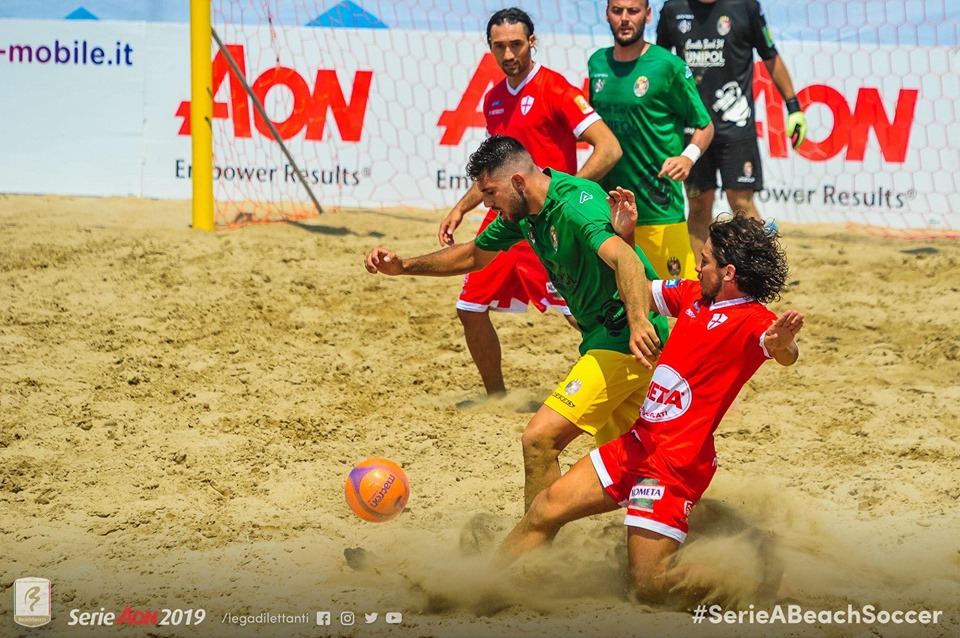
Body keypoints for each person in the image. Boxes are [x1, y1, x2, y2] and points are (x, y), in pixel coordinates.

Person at [495, 210, 804, 603]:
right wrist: (626, 239)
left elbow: (784, 352)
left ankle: (761, 588)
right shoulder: (693, 294)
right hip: (638, 444)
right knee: (545, 508)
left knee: (650, 585)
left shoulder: (754, 320)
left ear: (728, 273)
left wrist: (782, 344)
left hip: (671, 467)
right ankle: (481, 586)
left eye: (705, 260)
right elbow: (638, 286)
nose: (696, 264)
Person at [366, 135, 668, 510]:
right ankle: (702, 530)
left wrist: (638, 320)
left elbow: (627, 259)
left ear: (519, 182)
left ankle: (532, 559)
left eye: (491, 193)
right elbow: (474, 256)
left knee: (539, 440)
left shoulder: (575, 204)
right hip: (611, 338)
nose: (488, 204)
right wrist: (404, 267)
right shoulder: (523, 214)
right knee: (645, 468)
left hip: (627, 337)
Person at [439, 7, 623, 399]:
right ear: (489, 48)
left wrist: (565, 195)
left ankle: (636, 378)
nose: (509, 55)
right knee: (469, 307)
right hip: (509, 222)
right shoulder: (493, 100)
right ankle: (496, 399)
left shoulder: (555, 89)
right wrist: (462, 207)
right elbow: (497, 174)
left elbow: (609, 148)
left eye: (517, 45)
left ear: (533, 42)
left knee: (585, 316)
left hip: (551, 224)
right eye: (499, 46)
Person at [656, 0, 808, 256]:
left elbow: (770, 57)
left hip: (736, 128)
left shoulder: (745, 6)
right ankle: (700, 278)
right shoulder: (673, 9)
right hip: (693, 131)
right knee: (699, 206)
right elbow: (659, 65)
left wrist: (793, 106)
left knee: (741, 203)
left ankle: (762, 273)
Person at [588, 0, 714, 279]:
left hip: (659, 210)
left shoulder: (668, 66)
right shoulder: (597, 63)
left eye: (632, 11)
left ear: (647, 15)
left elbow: (704, 125)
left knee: (679, 303)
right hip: (611, 209)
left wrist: (687, 157)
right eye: (617, 11)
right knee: (621, 305)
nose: (624, 18)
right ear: (607, 14)